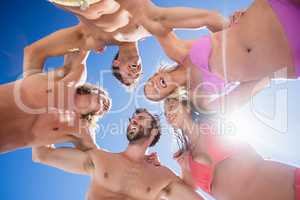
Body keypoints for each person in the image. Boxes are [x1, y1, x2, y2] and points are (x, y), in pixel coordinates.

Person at [25, 0, 228, 87]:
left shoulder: (94, 39)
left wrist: (31, 95)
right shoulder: (150, 26)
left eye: (128, 76)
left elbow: (33, 52)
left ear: (116, 65)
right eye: (138, 74)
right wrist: (232, 44)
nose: (135, 72)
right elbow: (211, 19)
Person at [145, 0, 300, 113]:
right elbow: (238, 98)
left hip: (273, 11)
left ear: (157, 74)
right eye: (156, 92)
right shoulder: (199, 98)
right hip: (290, 56)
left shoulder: (179, 52)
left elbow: (152, 18)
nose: (155, 85)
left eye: (150, 82)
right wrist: (269, 76)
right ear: (166, 96)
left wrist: (233, 28)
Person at [32, 108, 204, 200]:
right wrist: (49, 114)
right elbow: (42, 154)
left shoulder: (162, 175)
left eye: (141, 119)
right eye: (133, 119)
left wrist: (186, 168)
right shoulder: (102, 159)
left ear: (153, 132)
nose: (134, 120)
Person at [164, 93, 300, 200]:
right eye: (165, 113)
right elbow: (185, 190)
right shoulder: (184, 159)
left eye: (171, 107)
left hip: (287, 186)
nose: (168, 114)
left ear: (186, 106)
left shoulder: (214, 122)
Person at [0, 51, 111, 153]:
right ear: (96, 90)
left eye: (105, 109)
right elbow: (83, 42)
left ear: (96, 114)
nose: (106, 105)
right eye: (106, 98)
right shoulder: (74, 77)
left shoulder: (82, 130)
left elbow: (98, 158)